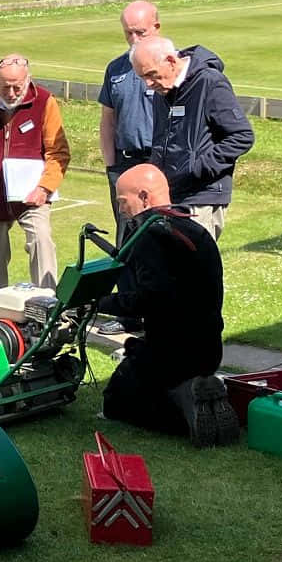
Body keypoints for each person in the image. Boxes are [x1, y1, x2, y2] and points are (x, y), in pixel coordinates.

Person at [98, 165, 239, 447]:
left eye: (123, 202)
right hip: (208, 348)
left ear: (144, 196)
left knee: (116, 401)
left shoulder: (149, 237)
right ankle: (201, 391)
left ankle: (185, 409)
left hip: (170, 353)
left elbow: (150, 299)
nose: (122, 210)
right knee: (140, 358)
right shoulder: (194, 229)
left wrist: (98, 303)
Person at [0, 55, 70, 321]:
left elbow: (58, 152)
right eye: (5, 86)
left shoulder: (45, 102)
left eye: (17, 86)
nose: (11, 92)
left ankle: (47, 315)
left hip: (34, 194)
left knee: (41, 242)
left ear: (28, 80)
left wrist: (44, 188)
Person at [132, 36, 254, 241]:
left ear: (171, 61)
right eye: (142, 77)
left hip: (201, 197)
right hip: (170, 195)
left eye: (151, 74)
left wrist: (196, 168)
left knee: (195, 269)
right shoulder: (163, 90)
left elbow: (242, 136)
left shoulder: (209, 82)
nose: (148, 84)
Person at [98, 0, 159, 232]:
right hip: (125, 163)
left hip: (160, 162)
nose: (134, 39)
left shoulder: (170, 64)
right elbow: (107, 121)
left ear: (156, 27)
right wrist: (112, 168)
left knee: (162, 235)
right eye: (128, 33)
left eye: (140, 32)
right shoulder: (116, 68)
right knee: (127, 237)